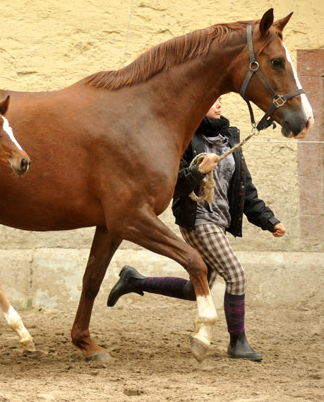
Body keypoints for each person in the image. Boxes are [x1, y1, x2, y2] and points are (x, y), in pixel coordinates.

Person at [107, 97, 286, 361]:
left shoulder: (230, 139)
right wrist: (198, 171)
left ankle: (134, 280)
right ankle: (238, 342)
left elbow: (245, 190)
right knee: (236, 274)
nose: (219, 104)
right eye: (213, 101)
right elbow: (174, 186)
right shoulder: (186, 138)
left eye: (221, 100)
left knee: (196, 290)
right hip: (198, 220)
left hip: (219, 223)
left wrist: (269, 220)